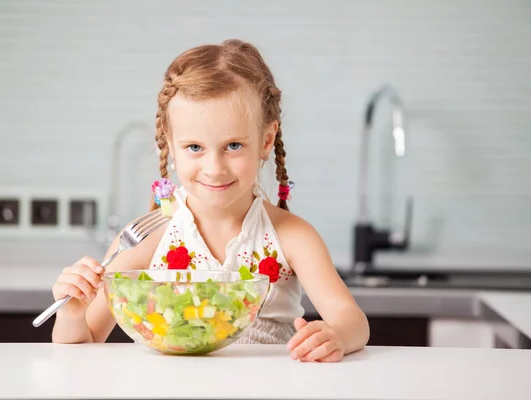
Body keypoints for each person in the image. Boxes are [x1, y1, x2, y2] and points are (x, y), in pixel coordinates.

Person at [51, 39, 369, 362]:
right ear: (170, 143)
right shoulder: (144, 239)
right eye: (194, 148)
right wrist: (71, 314)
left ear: (266, 140)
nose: (215, 169)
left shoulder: (292, 236)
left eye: (233, 146)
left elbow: (353, 320)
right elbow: (81, 350)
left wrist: (337, 335)